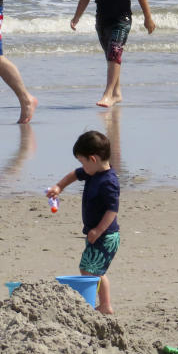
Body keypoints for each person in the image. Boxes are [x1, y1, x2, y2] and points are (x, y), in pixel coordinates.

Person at [70, 0, 156, 108]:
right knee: (111, 57)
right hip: (102, 20)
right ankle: (117, 93)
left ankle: (108, 94)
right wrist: (76, 17)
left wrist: (148, 17)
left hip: (122, 19)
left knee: (114, 52)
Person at [46, 130, 121, 315]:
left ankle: (104, 306)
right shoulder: (91, 173)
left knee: (92, 270)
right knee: (91, 269)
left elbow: (112, 210)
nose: (81, 166)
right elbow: (74, 175)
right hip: (95, 233)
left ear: (93, 159)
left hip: (106, 235)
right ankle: (104, 305)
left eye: (82, 161)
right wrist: (59, 187)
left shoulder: (109, 182)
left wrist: (98, 230)